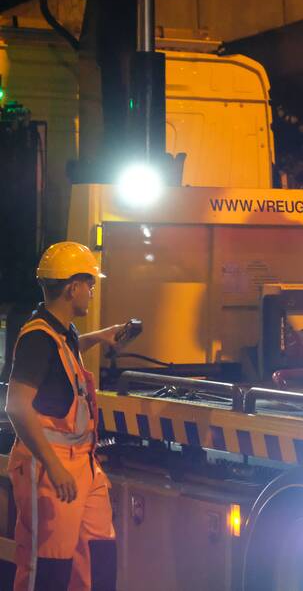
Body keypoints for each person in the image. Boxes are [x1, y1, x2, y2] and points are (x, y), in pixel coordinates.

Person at [4, 242, 128, 590]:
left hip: (82, 464)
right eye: (89, 284)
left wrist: (99, 337)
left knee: (96, 556)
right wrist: (55, 466)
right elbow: (16, 405)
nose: (91, 291)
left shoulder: (61, 331)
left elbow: (64, 350)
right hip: (48, 466)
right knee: (47, 566)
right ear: (72, 287)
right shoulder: (38, 339)